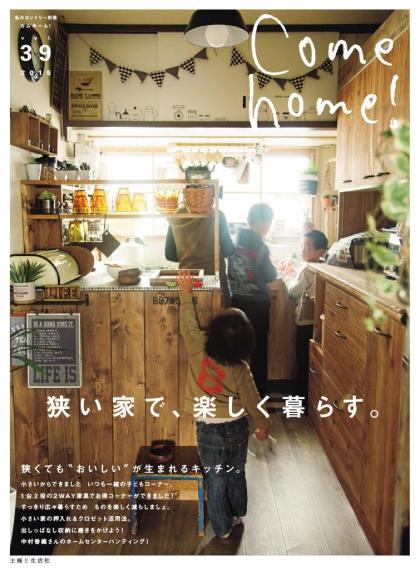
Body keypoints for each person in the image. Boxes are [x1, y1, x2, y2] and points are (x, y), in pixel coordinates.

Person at [178, 270, 272, 539]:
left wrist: (186, 292)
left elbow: (187, 324)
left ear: (213, 332)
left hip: (208, 428)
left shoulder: (198, 345)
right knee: (236, 471)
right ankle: (238, 511)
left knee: (216, 478)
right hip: (237, 427)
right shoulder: (241, 367)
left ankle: (222, 527)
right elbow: (253, 400)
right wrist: (262, 426)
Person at [228, 203, 277, 397]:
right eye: (269, 223)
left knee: (237, 350)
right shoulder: (260, 246)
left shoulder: (234, 240)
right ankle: (258, 395)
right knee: (259, 351)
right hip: (258, 306)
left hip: (237, 303)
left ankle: (237, 394)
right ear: (263, 222)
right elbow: (270, 275)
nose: (268, 227)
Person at [278, 230, 328, 413]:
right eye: (301, 245)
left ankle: (301, 401)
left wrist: (285, 276)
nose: (302, 250)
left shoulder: (308, 270)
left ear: (320, 252)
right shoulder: (322, 266)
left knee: (303, 360)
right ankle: (307, 400)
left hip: (305, 322)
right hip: (316, 320)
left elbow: (293, 291)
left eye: (308, 246)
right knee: (309, 361)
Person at [165, 208, 235, 306]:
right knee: (219, 314)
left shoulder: (176, 216)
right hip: (215, 282)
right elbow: (229, 249)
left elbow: (170, 255)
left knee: (189, 312)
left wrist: (187, 254)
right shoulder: (217, 214)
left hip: (188, 282)